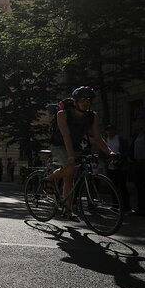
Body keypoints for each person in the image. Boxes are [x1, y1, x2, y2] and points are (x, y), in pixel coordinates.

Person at [45, 86, 115, 222]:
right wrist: (71, 156)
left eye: (89, 100)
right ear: (76, 101)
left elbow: (98, 138)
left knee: (69, 178)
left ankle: (68, 210)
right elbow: (66, 135)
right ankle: (49, 179)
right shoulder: (62, 114)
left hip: (74, 146)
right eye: (82, 100)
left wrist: (110, 152)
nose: (86, 103)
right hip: (58, 144)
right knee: (70, 168)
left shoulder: (92, 116)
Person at [104, 124, 131, 213]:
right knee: (112, 186)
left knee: (122, 186)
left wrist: (119, 157)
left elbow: (127, 152)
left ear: (115, 131)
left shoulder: (121, 140)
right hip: (110, 166)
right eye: (108, 130)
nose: (109, 132)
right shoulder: (105, 141)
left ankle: (126, 207)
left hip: (121, 166)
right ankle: (115, 205)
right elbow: (102, 153)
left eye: (111, 130)